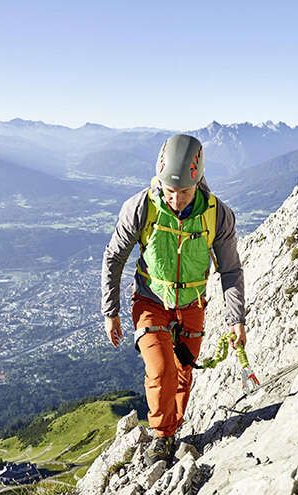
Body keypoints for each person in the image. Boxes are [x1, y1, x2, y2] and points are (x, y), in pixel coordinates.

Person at [101, 133, 246, 462]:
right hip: (151, 300)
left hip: (192, 305)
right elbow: (114, 257)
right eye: (170, 191)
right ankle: (162, 436)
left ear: (198, 181)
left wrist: (237, 319)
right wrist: (111, 311)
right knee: (162, 368)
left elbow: (231, 271)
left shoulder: (216, 214)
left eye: (184, 192)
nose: (177, 200)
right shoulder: (142, 207)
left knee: (183, 372)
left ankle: (173, 428)